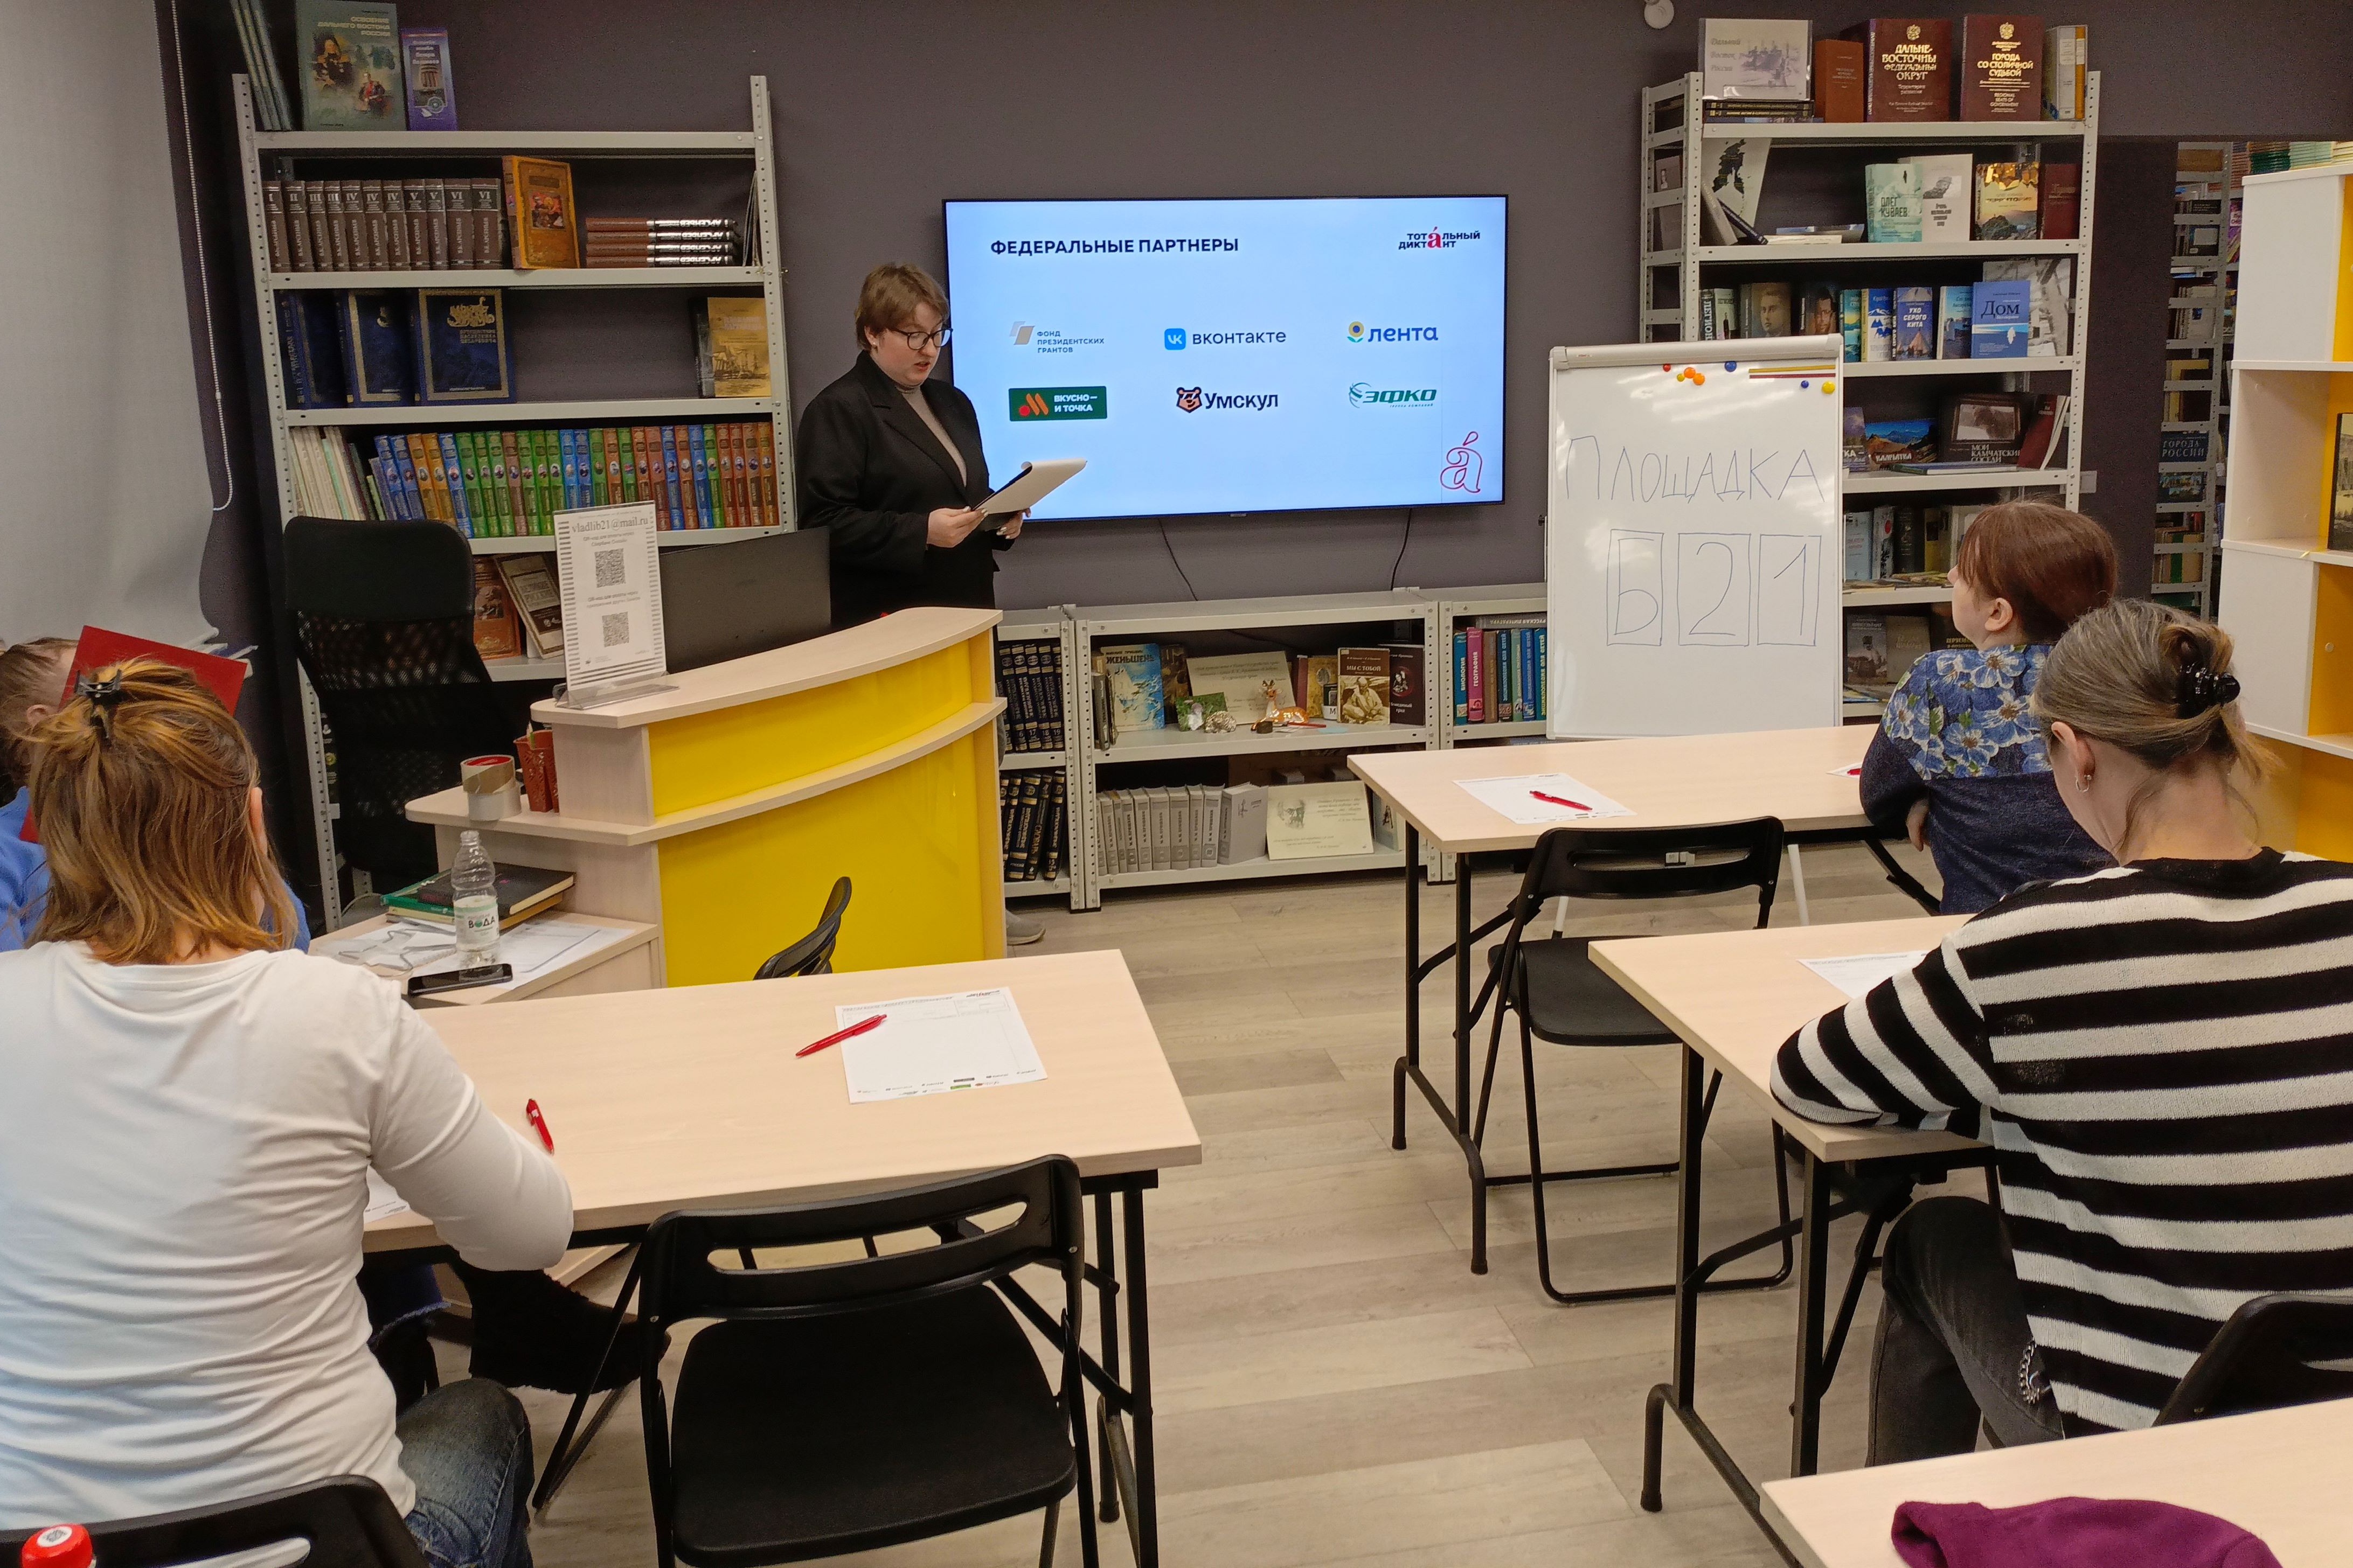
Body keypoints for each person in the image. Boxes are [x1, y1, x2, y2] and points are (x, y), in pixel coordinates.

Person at [0, 660, 572, 1567]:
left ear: (56, 838)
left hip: (50, 1550)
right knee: (480, 1413)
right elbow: (530, 1234)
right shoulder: (337, 1012)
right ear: (252, 819)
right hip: (323, 1544)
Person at [1772, 601, 2353, 1462]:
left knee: (1934, 1238)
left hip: (2150, 1443)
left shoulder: (2027, 944)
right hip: (2335, 1432)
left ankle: (1917, 1521)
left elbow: (1808, 1076)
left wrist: (2006, 1096)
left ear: (2075, 752)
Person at [795, 263, 1044, 945]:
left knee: (973, 764)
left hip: (964, 611)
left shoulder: (953, 403)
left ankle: (977, 902)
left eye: (937, 334)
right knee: (908, 775)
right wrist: (918, 531)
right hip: (892, 621)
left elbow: (963, 498)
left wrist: (1000, 518)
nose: (928, 349)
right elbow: (822, 526)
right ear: (871, 333)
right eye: (912, 335)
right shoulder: (839, 410)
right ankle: (911, 911)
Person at [1861, 501, 2118, 912]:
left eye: (1964, 573)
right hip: (2116, 925)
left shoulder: (1937, 681)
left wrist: (1929, 797)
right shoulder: (2122, 678)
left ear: (1997, 612)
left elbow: (1878, 797)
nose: (1951, 575)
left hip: (1982, 930)